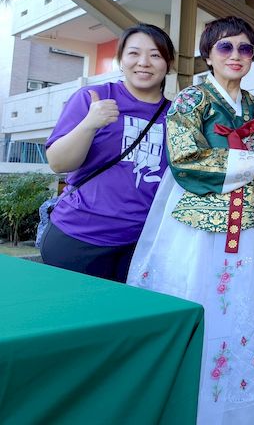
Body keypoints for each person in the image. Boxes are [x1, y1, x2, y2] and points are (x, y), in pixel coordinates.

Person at [127, 16, 254, 424]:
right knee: (205, 306)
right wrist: (253, 160)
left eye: (245, 48)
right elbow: (185, 159)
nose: (236, 55)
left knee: (251, 311)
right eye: (225, 47)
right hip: (200, 229)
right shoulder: (191, 100)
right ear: (208, 55)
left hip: (252, 226)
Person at [41, 23, 175, 282]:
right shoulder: (93, 98)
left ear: (169, 63)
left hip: (141, 244)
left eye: (155, 55)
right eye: (134, 53)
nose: (144, 62)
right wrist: (89, 124)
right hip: (78, 237)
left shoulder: (178, 115)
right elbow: (58, 163)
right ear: (121, 60)